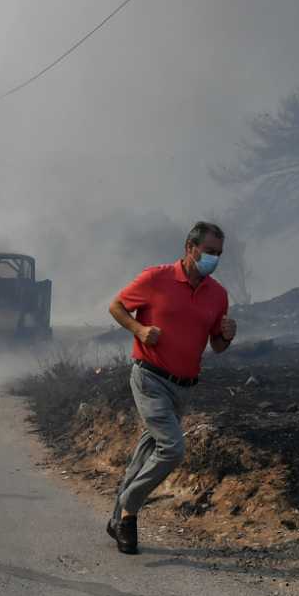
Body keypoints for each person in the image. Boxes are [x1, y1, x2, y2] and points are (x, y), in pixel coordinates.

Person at [104, 221, 236, 554]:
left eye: (219, 254)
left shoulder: (218, 294)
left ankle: (117, 517)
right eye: (209, 252)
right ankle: (130, 509)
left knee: (149, 450)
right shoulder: (156, 278)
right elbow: (116, 306)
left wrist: (228, 336)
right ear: (190, 248)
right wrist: (139, 329)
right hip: (149, 377)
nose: (214, 259)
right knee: (172, 449)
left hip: (184, 386)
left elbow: (216, 346)